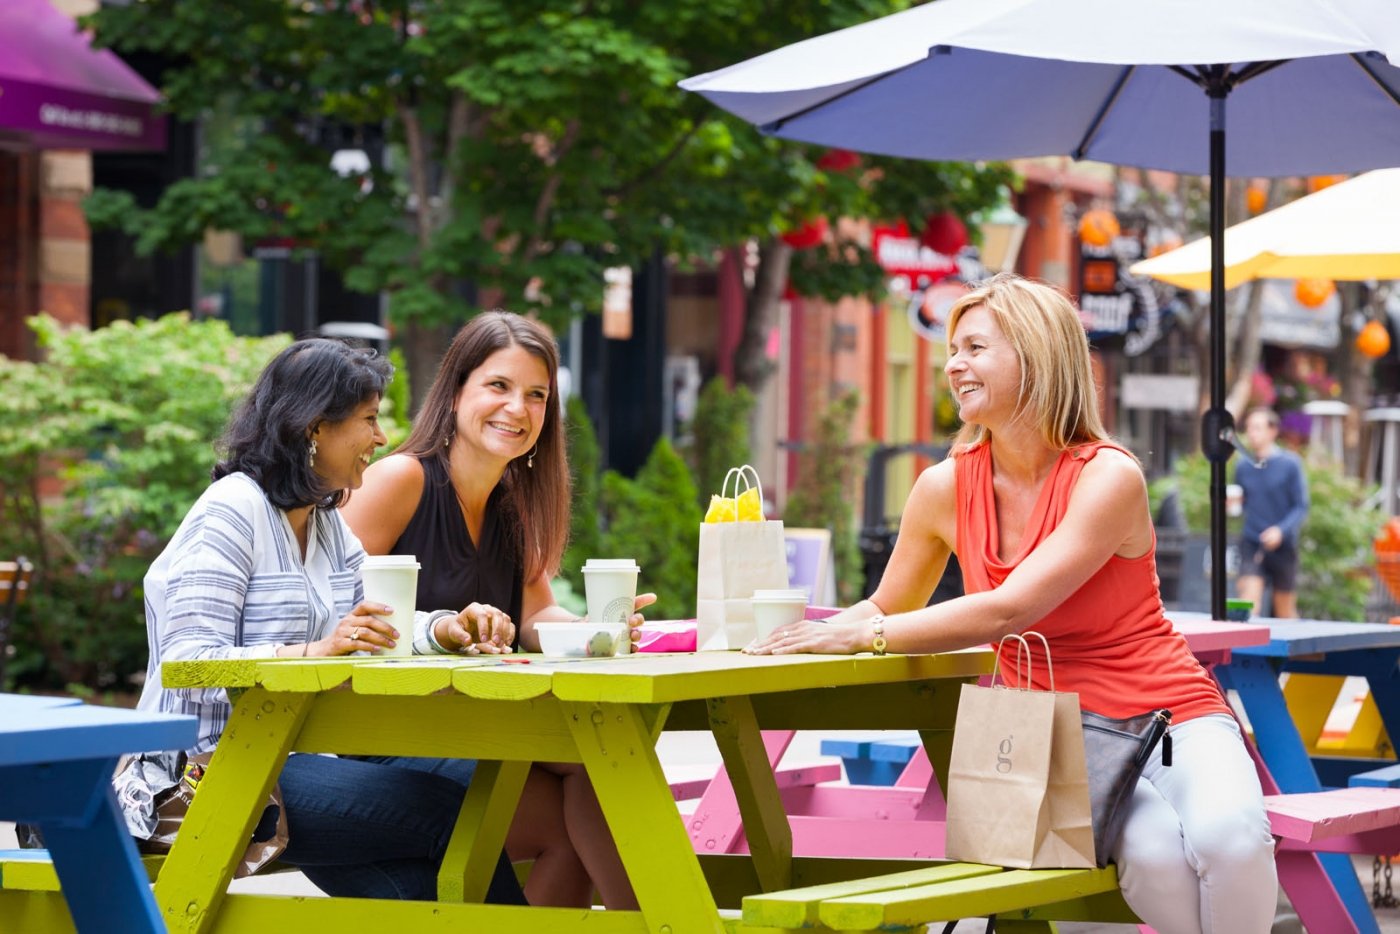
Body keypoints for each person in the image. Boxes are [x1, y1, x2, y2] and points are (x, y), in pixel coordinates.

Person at [745, 275, 1277, 934]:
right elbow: (885, 602)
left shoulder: (1107, 477)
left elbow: (1008, 610)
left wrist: (865, 637)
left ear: (1035, 355)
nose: (954, 366)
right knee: (1154, 858)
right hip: (1057, 740)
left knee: (1233, 841)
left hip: (1171, 717)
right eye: (952, 350)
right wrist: (797, 632)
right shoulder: (942, 488)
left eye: (975, 348)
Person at [130, 338, 524, 904]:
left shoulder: (322, 521)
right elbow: (189, 661)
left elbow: (375, 620)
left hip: (282, 760)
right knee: (450, 808)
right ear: (315, 427)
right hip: (204, 772)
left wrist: (444, 628)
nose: (381, 438)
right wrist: (313, 652)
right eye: (369, 419)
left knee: (455, 820)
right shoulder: (232, 510)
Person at [342, 311, 649, 909]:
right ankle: (658, 919)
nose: (519, 408)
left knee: (600, 759)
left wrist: (599, 630)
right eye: (499, 386)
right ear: (457, 391)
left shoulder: (513, 504)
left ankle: (649, 918)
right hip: (389, 733)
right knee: (589, 777)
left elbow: (538, 618)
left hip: (483, 725)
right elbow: (326, 608)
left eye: (537, 395)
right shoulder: (400, 480)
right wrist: (442, 632)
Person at [1234, 407, 1309, 618]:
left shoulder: (1290, 464)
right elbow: (1242, 502)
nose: (1251, 433)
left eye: (1257, 427)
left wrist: (1280, 531)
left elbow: (1301, 505)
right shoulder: (1243, 465)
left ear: (1272, 431)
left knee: (1285, 610)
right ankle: (1245, 651)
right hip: (1252, 542)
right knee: (1248, 605)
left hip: (1283, 546)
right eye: (1248, 428)